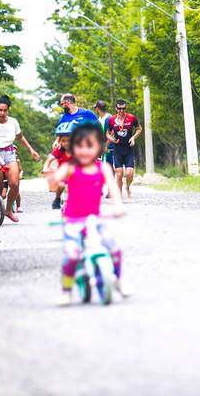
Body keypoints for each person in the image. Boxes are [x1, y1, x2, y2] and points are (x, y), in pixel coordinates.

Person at [48, 121, 127, 306]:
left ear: (99, 147)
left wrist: (118, 206)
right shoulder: (70, 167)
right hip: (73, 221)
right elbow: (55, 179)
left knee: (114, 248)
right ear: (72, 148)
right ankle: (66, 290)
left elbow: (113, 190)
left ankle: (118, 280)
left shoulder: (103, 168)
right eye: (79, 146)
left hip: (95, 220)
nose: (84, 151)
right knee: (73, 255)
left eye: (89, 146)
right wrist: (54, 179)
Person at [0, 95, 41, 223]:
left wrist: (31, 150)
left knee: (15, 185)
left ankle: (8, 210)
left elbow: (20, 137)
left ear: (8, 110)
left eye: (5, 110)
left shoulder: (13, 122)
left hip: (9, 153)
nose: (2, 113)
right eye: (0, 110)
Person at [106, 99, 142, 199]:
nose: (121, 111)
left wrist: (133, 138)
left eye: (123, 108)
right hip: (117, 149)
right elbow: (108, 133)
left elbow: (139, 129)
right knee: (119, 174)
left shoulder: (131, 118)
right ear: (116, 108)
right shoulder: (111, 120)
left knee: (129, 173)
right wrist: (111, 139)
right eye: (119, 109)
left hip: (128, 149)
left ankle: (127, 186)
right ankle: (119, 196)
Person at [42, 122, 73, 210]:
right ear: (59, 141)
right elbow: (50, 159)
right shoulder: (59, 150)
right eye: (63, 141)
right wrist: (45, 167)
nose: (66, 143)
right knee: (61, 185)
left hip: (74, 173)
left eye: (68, 140)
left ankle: (71, 201)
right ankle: (57, 199)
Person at [94, 100, 114, 167]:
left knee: (109, 168)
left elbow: (112, 133)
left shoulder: (109, 118)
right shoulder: (99, 118)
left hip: (109, 149)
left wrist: (106, 146)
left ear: (97, 108)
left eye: (95, 108)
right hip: (102, 149)